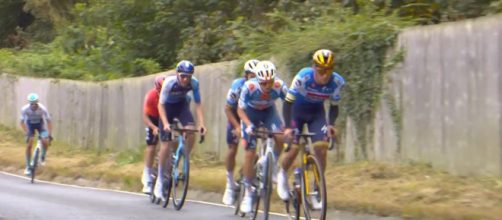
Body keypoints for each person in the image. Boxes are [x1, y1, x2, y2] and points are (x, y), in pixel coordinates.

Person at [278, 49, 346, 203]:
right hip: (297, 111)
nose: (324, 75)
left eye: (328, 70)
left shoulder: (337, 82)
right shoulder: (303, 76)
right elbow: (288, 102)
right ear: (314, 67)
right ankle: (282, 174)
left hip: (317, 113)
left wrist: (331, 124)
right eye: (321, 70)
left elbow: (334, 106)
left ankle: (317, 187)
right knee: (293, 150)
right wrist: (288, 127)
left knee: (321, 149)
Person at [237, 60, 288, 213]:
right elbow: (240, 111)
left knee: (280, 137)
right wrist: (248, 125)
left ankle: (272, 164)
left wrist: (290, 125)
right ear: (258, 80)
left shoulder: (279, 86)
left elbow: (291, 104)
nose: (268, 86)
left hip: (268, 112)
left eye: (270, 82)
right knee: (249, 152)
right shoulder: (249, 87)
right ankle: (247, 191)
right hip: (250, 114)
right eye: (264, 83)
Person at [154, 60, 207, 201]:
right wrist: (165, 123)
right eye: (182, 76)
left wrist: (202, 124)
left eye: (188, 76)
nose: (185, 79)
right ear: (177, 74)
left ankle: (183, 157)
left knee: (191, 130)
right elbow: (161, 105)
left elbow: (198, 104)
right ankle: (159, 179)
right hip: (167, 109)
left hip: (182, 106)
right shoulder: (169, 83)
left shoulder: (194, 83)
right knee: (166, 143)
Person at [222, 59, 259, 205]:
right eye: (252, 76)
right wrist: (237, 126)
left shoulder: (262, 85)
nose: (255, 79)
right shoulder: (238, 85)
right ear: (246, 75)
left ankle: (245, 175)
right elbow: (227, 108)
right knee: (233, 148)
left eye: (257, 76)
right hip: (236, 116)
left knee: (253, 154)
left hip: (252, 116)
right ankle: (229, 184)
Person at [141, 75, 165, 194]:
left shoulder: (169, 94)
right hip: (153, 118)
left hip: (165, 117)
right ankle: (147, 173)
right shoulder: (151, 96)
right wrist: (153, 127)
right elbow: (145, 116)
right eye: (160, 90)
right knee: (151, 146)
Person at [20, 93, 53, 176]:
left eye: (35, 103)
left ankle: (43, 156)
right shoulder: (24, 109)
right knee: (29, 145)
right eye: (32, 103)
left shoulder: (43, 109)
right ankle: (28, 166)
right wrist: (27, 132)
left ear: (38, 102)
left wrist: (49, 134)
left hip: (40, 125)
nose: (34, 105)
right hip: (30, 125)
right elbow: (22, 123)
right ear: (29, 103)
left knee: (45, 141)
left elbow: (49, 122)